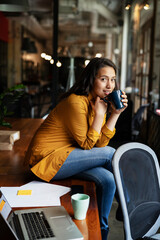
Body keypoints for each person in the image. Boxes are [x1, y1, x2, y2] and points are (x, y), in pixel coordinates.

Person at [24, 57, 128, 240]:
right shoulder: (76, 102)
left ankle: (102, 233)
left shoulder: (98, 103)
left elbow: (99, 143)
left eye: (113, 79)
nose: (109, 85)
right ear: (91, 79)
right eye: (103, 79)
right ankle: (128, 205)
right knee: (111, 154)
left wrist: (115, 114)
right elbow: (88, 146)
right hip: (45, 160)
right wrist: (100, 115)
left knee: (109, 179)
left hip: (68, 157)